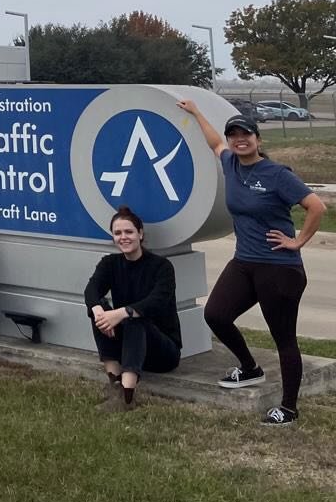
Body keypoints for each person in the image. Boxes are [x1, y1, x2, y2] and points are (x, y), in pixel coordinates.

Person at [178, 100, 326, 425]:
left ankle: (288, 408)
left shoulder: (276, 174)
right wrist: (196, 111)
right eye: (234, 135)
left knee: (283, 337)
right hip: (244, 263)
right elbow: (214, 142)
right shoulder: (230, 162)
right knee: (215, 314)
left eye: (245, 134)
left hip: (279, 269)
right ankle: (250, 368)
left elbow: (316, 207)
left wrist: (297, 241)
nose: (238, 139)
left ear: (258, 139)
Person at [83, 205, 182, 410]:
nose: (123, 237)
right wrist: (99, 311)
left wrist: (121, 313)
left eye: (129, 231)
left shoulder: (162, 266)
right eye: (117, 233)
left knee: (135, 318)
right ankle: (115, 383)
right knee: (99, 310)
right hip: (129, 349)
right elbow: (91, 289)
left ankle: (127, 397)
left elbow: (156, 302)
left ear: (140, 234)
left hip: (163, 352)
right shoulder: (110, 263)